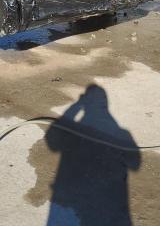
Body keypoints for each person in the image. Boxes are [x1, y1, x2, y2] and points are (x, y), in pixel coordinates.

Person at [45, 84, 140, 225]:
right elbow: (135, 164)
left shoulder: (121, 133)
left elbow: (52, 142)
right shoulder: (122, 133)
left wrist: (78, 104)